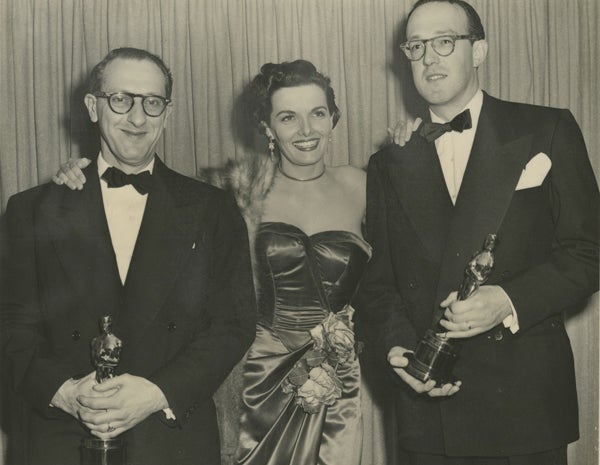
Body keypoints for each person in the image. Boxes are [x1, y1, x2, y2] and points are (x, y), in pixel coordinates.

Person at [52, 59, 417, 465]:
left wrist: (412, 146)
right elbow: (150, 203)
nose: (307, 130)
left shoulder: (365, 184)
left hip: (335, 379)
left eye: (317, 114)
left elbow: (407, 258)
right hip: (254, 383)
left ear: (334, 118)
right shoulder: (232, 190)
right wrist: (76, 178)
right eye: (288, 117)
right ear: (267, 128)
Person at [355, 1, 599, 464]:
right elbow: (379, 283)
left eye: (445, 42)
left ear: (479, 50)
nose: (429, 58)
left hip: (524, 410)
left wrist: (509, 300)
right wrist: (399, 351)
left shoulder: (546, 128)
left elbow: (590, 252)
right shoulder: (389, 162)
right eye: (416, 46)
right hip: (429, 413)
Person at [0, 47, 256, 465]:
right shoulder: (32, 209)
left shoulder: (212, 208)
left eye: (152, 103)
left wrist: (158, 393)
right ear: (93, 107)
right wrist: (64, 393)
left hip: (171, 440)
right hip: (59, 440)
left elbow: (233, 323)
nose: (138, 118)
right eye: (121, 99)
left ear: (167, 113)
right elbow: (9, 324)